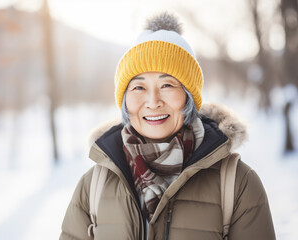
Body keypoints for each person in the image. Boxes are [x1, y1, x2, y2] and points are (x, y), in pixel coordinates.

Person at [60, 12, 275, 240]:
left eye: (167, 85)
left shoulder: (237, 184)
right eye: (138, 88)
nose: (153, 102)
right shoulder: (93, 186)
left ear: (188, 97)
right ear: (124, 101)